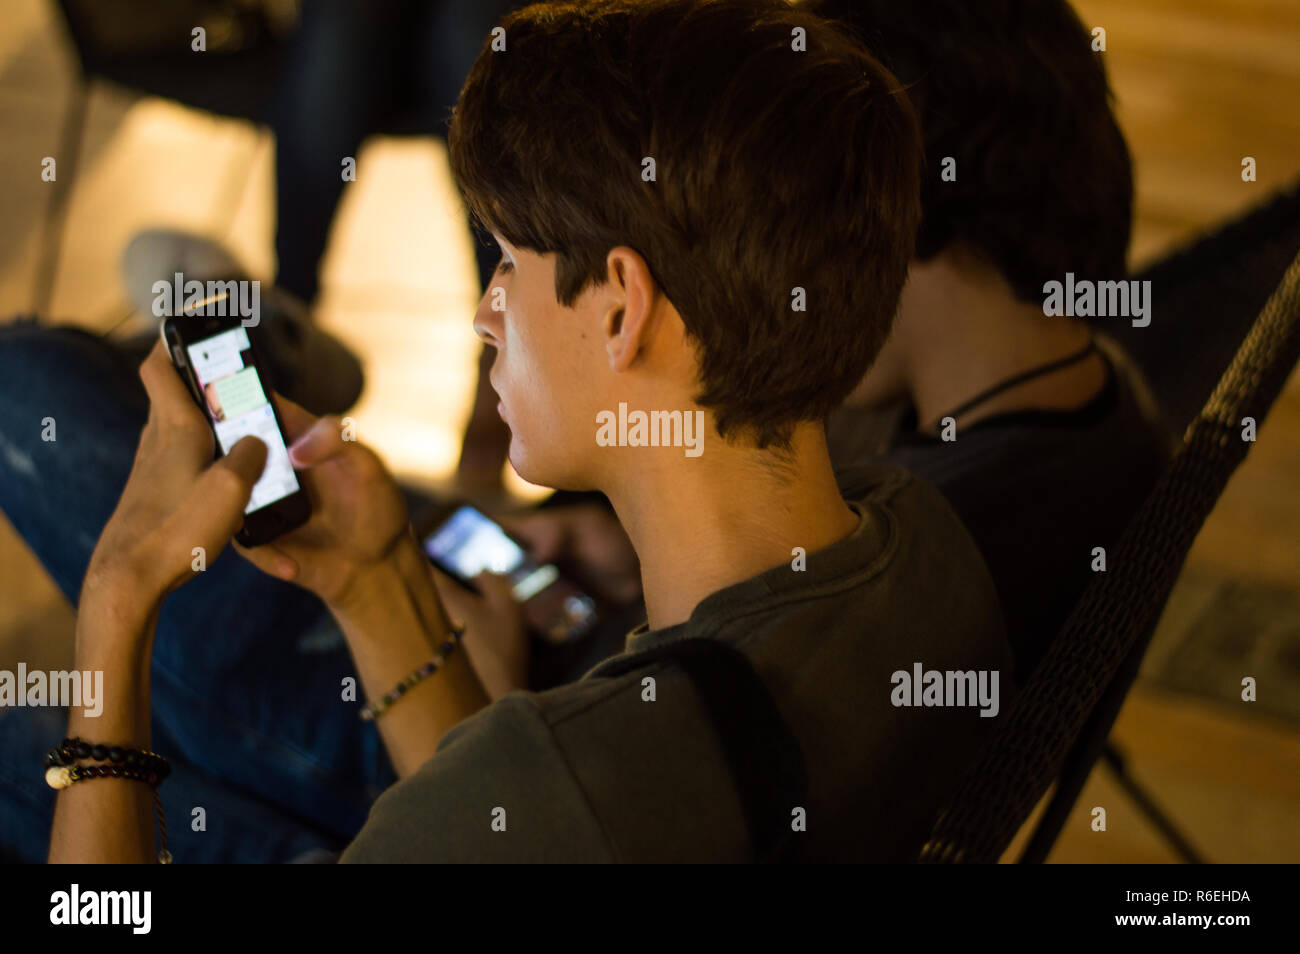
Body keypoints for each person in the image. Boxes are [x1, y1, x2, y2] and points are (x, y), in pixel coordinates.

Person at [0, 0, 1012, 863]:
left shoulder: (571, 783)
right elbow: (512, 794)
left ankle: (261, 332)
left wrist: (118, 605)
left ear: (621, 309)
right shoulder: (923, 538)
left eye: (507, 267)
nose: (484, 313)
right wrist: (376, 579)